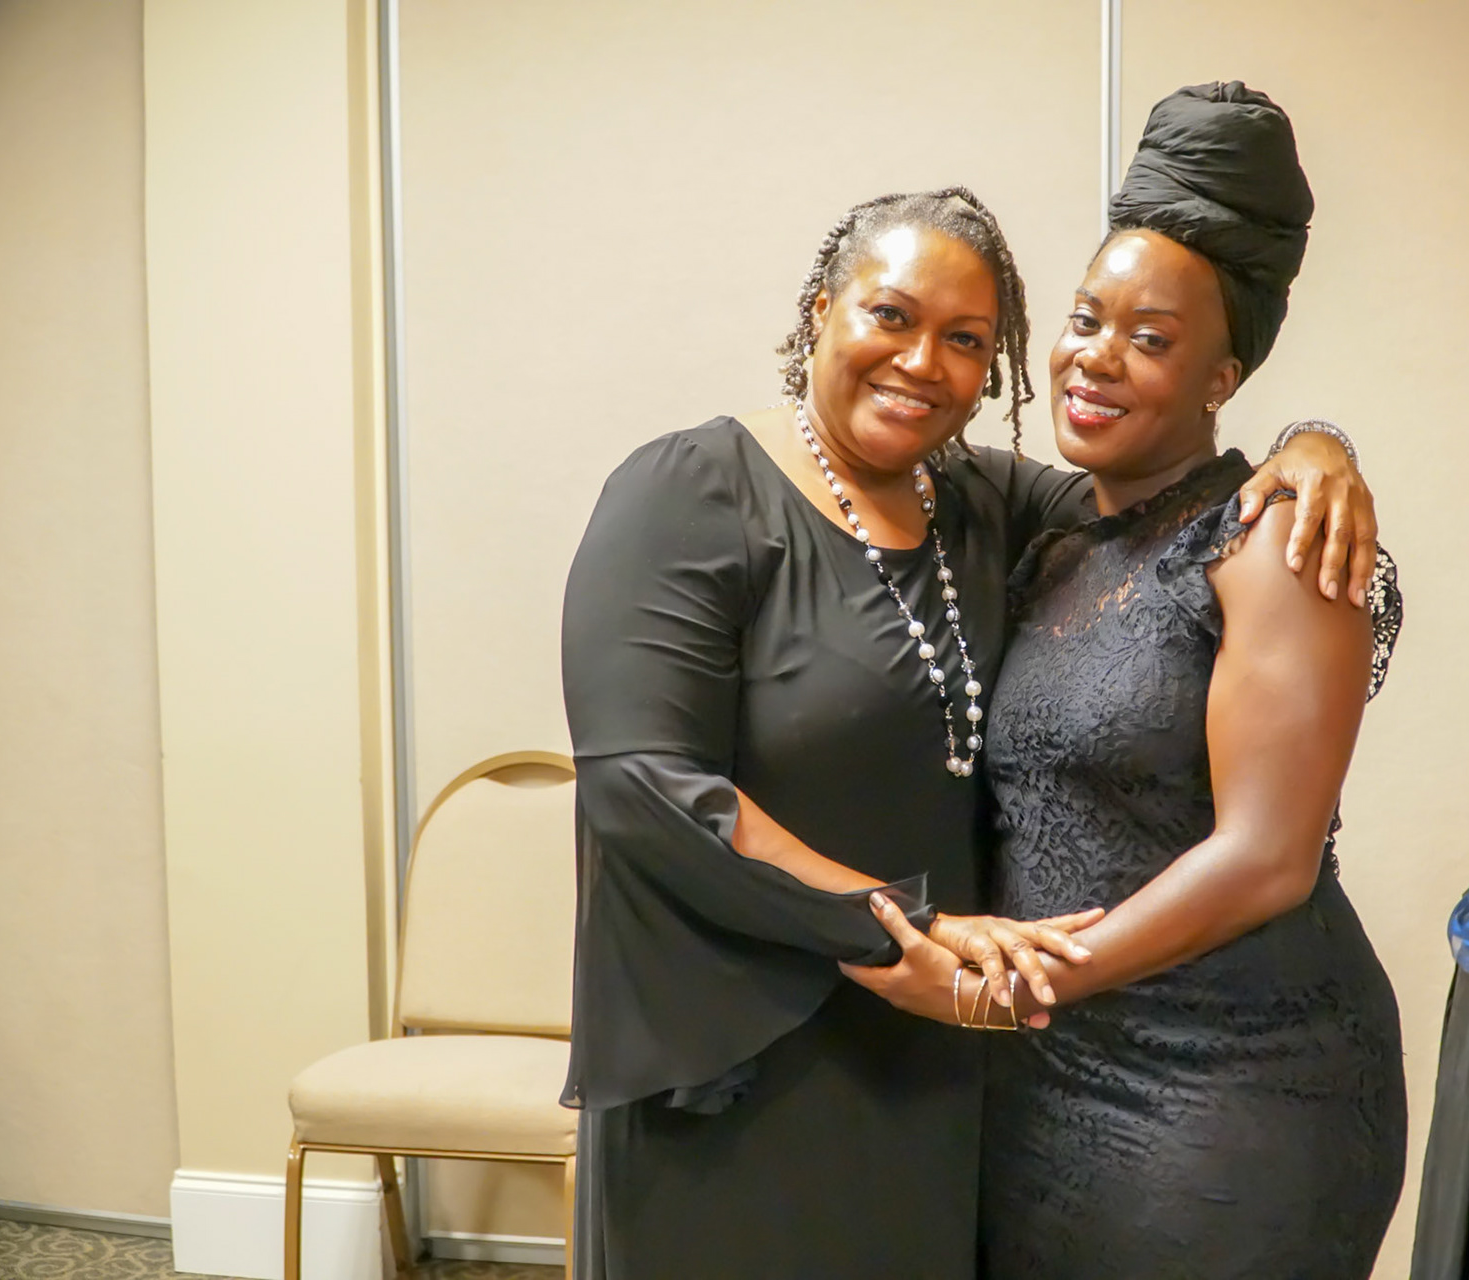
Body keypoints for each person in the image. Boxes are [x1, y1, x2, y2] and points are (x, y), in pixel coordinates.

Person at [560, 183, 1376, 1278]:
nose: (921, 361)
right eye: (890, 316)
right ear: (820, 310)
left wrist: (1316, 445)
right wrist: (901, 926)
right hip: (743, 1047)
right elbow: (644, 787)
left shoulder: (988, 508)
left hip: (931, 1063)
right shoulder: (690, 494)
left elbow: (1176, 500)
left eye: (966, 341)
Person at [849, 85, 1407, 1278]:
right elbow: (874, 433)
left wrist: (1012, 987)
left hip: (1234, 1086)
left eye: (1150, 340)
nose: (1095, 357)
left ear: (1221, 377)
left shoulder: (1272, 538)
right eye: (1087, 318)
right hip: (1044, 1083)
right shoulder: (1051, 535)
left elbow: (1267, 858)